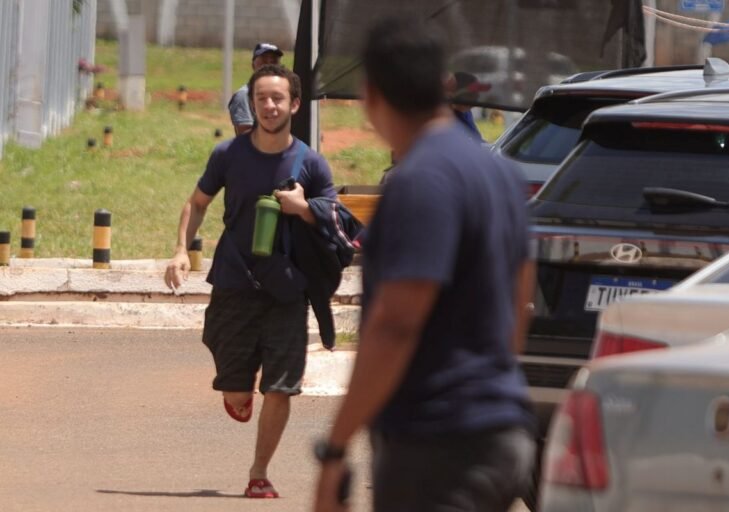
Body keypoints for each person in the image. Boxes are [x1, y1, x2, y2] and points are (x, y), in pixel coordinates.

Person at [313, 17, 537, 512]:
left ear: (370, 94)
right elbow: (520, 300)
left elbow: (396, 323)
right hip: (502, 431)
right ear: (445, 84)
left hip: (438, 442)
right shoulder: (500, 174)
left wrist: (335, 448)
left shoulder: (420, 180)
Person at [165, 64, 337, 499]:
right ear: (253, 104)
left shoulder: (311, 163)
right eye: (261, 98)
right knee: (237, 389)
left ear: (294, 104)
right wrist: (181, 250)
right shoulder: (229, 154)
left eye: (278, 98)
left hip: (287, 289)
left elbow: (335, 222)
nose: (269, 106)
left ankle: (259, 473)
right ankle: (238, 393)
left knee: (280, 387)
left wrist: (303, 208)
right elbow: (197, 203)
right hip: (234, 283)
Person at [228, 42, 283, 135]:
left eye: (273, 61)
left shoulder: (285, 94)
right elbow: (245, 138)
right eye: (264, 61)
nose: (269, 66)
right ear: (253, 65)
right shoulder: (243, 95)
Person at [447, 71, 489, 142]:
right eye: (472, 94)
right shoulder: (446, 120)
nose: (477, 97)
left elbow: (476, 139)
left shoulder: (466, 112)